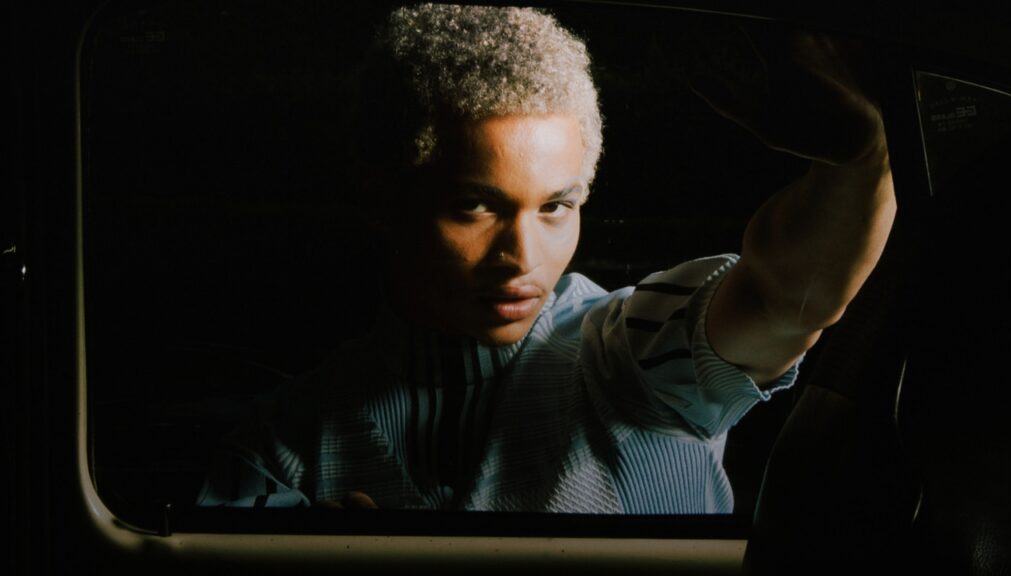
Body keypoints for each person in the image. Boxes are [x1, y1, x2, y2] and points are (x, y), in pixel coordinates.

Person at [197, 3, 895, 513]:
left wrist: (864, 163)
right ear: (382, 200)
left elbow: (782, 301)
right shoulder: (282, 450)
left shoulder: (631, 353)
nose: (522, 257)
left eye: (556, 206)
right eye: (475, 205)